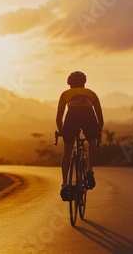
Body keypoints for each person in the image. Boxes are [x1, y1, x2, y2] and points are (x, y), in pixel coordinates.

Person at [56, 71, 104, 201]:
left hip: (72, 116)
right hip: (88, 115)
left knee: (67, 151)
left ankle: (65, 184)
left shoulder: (65, 94)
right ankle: (89, 170)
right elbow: (100, 119)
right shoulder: (92, 93)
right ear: (84, 84)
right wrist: (97, 133)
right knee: (92, 141)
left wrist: (62, 131)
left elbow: (59, 118)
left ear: (69, 85)